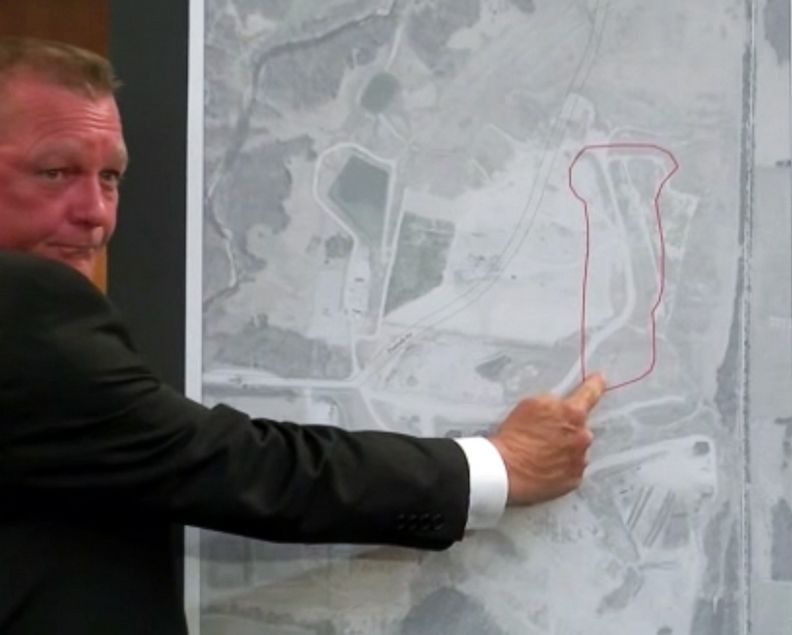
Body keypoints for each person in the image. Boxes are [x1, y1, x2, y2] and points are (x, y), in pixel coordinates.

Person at [0, 37, 606, 634]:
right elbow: (240, 465)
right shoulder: (25, 302)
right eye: (54, 172)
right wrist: (498, 466)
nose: (96, 211)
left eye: (110, 178)